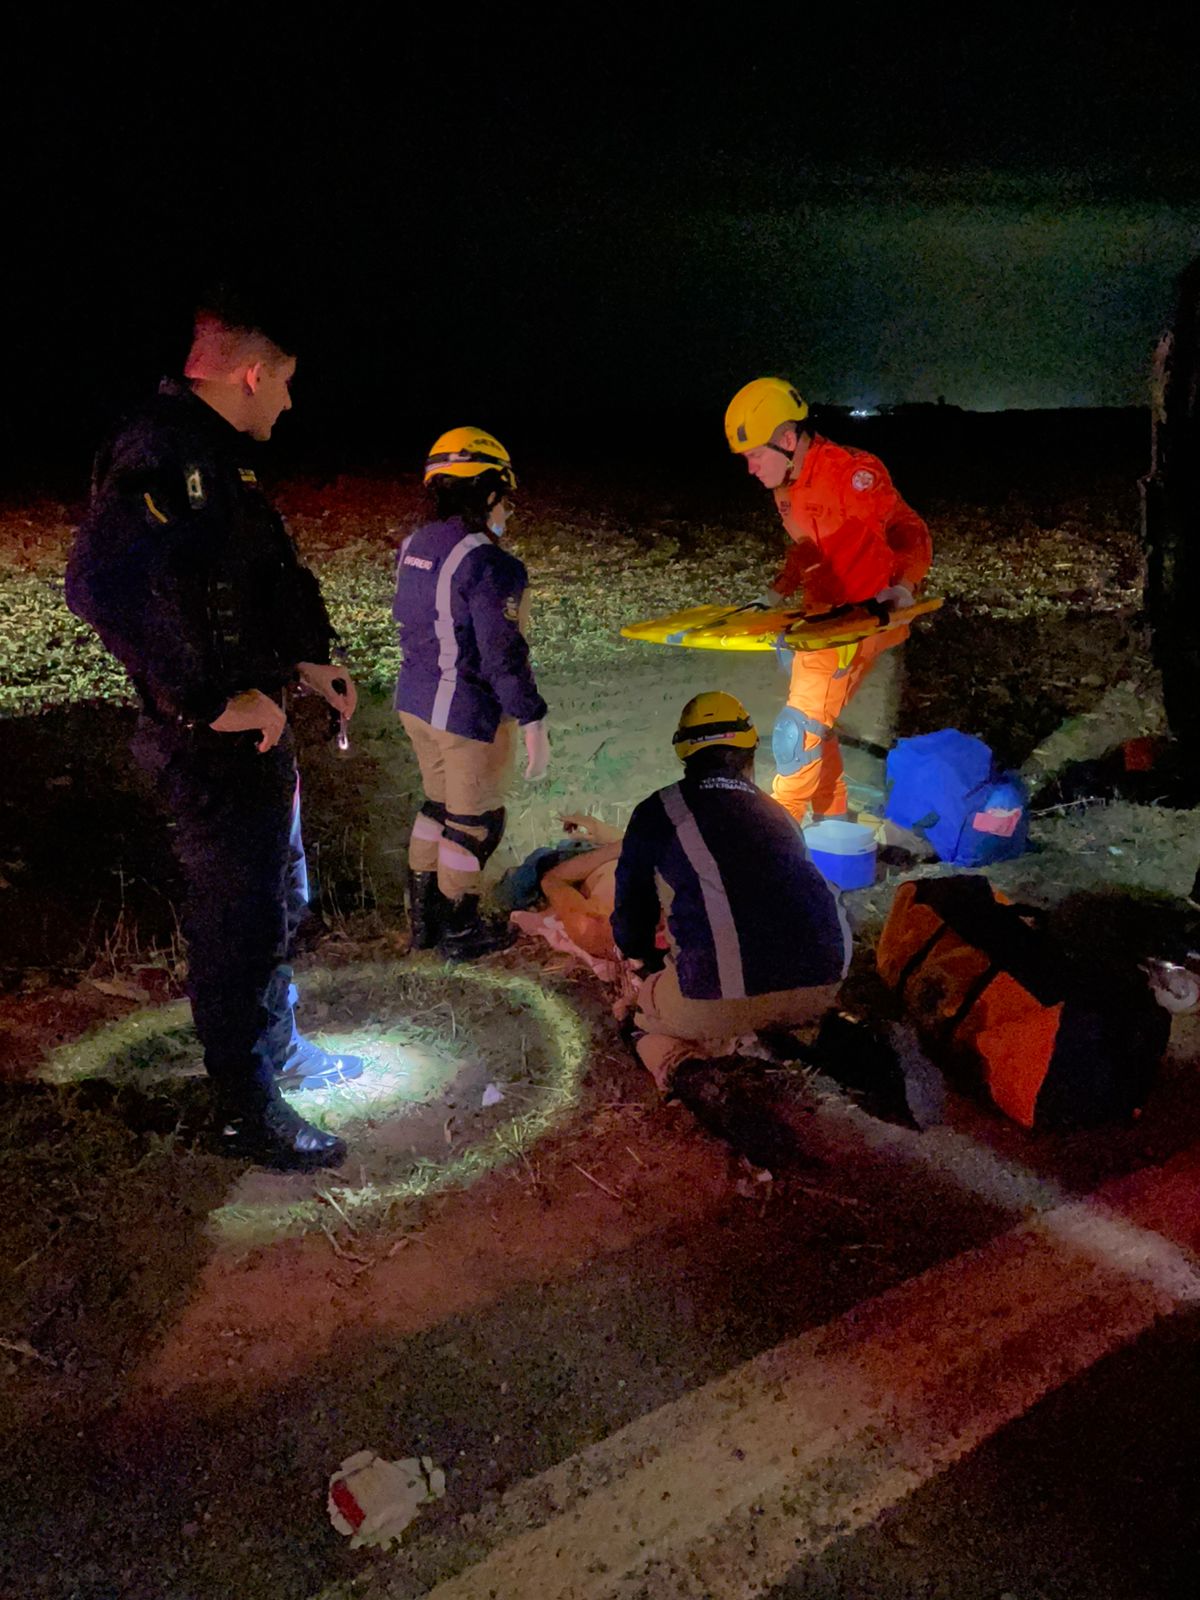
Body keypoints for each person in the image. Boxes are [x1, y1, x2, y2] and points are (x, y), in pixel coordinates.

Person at [65, 294, 359, 1172]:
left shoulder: (222, 463)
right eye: (288, 386)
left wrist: (308, 657)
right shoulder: (163, 452)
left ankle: (274, 1054)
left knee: (278, 898)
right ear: (252, 374)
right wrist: (208, 700)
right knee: (239, 919)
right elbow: (102, 587)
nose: (291, 406)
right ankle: (245, 1109)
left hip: (253, 741)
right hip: (210, 748)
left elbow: (261, 575)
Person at [611, 691, 850, 1093]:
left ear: (685, 755)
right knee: (772, 1012)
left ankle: (696, 1078)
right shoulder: (778, 814)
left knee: (637, 1020)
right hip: (826, 980)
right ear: (749, 753)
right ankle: (828, 1043)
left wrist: (645, 966)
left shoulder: (658, 811)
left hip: (719, 992)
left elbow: (631, 919)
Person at [724, 377, 933, 823]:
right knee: (817, 723)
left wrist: (903, 586)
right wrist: (776, 592)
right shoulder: (786, 484)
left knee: (796, 732)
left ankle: (776, 837)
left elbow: (905, 531)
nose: (750, 469)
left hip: (861, 621)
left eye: (755, 456)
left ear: (786, 439)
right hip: (820, 624)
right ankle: (833, 815)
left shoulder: (853, 475)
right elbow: (807, 549)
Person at [393, 428, 550, 959]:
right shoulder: (492, 564)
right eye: (504, 494)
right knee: (474, 821)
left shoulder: (414, 545)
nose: (507, 507)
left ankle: (425, 922)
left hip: (414, 702)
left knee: (436, 806)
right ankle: (460, 931)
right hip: (463, 712)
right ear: (486, 490)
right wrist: (531, 720)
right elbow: (500, 650)